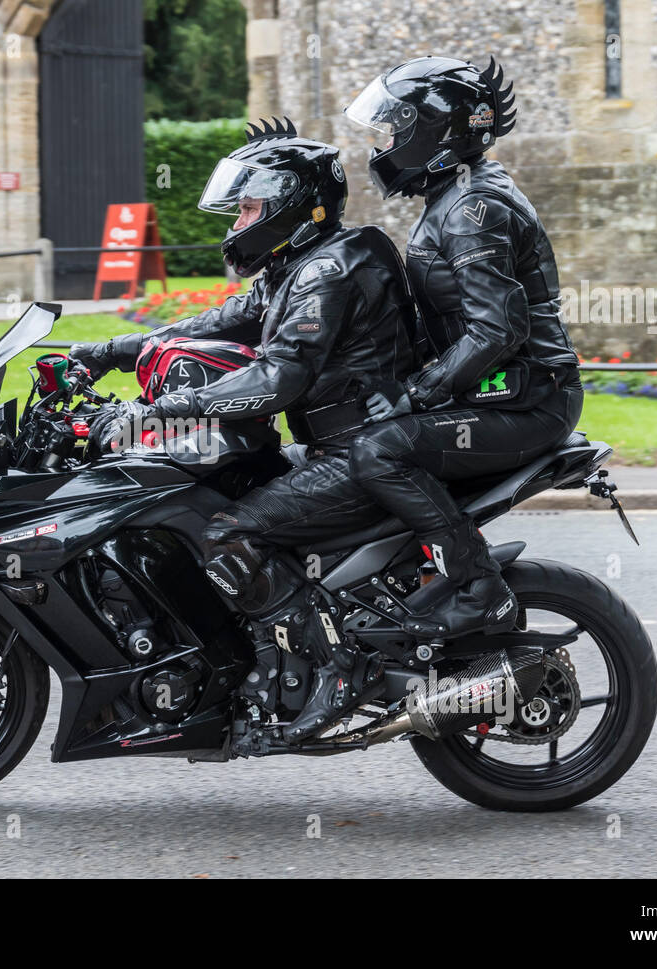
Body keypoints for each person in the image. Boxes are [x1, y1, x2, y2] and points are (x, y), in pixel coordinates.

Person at [72, 118, 417, 744]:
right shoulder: (300, 265)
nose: (237, 223)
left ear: (291, 206)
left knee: (228, 529)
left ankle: (336, 669)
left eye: (249, 208)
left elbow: (276, 381)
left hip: (360, 450)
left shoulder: (326, 272)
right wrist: (107, 350)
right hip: (340, 442)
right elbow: (218, 322)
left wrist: (160, 411)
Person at [342, 55, 583, 640]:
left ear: (436, 129)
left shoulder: (472, 210)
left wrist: (415, 394)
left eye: (396, 128)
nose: (385, 144)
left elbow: (497, 328)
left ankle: (477, 587)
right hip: (503, 390)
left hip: (526, 399)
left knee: (380, 452)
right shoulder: (453, 196)